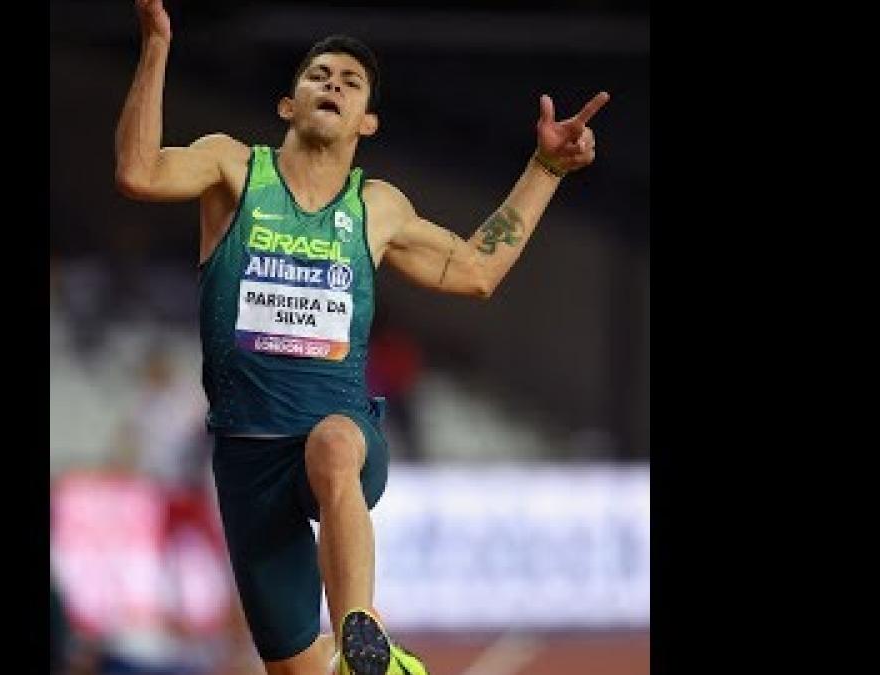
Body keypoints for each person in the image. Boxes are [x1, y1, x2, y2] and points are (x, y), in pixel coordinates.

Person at [114, 2, 609, 673]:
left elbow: (476, 270)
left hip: (341, 438)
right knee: (291, 666)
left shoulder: (375, 207)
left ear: (367, 122)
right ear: (289, 103)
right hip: (246, 457)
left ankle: (362, 635)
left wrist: (545, 170)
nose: (334, 84)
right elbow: (138, 171)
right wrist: (155, 43)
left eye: (351, 81)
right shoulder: (232, 170)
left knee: (334, 441)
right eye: (319, 74)